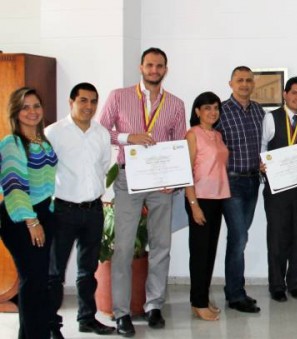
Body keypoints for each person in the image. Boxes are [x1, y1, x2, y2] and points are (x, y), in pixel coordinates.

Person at [99, 47, 187, 336]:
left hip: (161, 183)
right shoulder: (118, 96)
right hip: (128, 179)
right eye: (149, 65)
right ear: (141, 67)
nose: (154, 70)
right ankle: (122, 313)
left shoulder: (175, 104)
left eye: (159, 66)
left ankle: (153, 306)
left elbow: (178, 145)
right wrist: (128, 137)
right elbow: (101, 132)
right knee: (124, 246)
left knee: (161, 244)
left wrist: (173, 179)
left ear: (166, 69)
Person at [45, 83, 114, 338]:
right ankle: (52, 326)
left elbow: (104, 166)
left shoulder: (101, 133)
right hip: (62, 211)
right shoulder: (53, 133)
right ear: (71, 102)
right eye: (83, 101)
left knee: (88, 271)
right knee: (55, 273)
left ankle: (87, 318)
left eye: (93, 101)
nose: (89, 106)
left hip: (94, 210)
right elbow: (44, 171)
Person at [0, 87, 58, 339]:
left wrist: (49, 212)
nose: (32, 111)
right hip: (21, 218)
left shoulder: (42, 140)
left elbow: (47, 180)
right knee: (32, 283)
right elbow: (15, 186)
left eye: (36, 106)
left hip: (43, 214)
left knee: (39, 282)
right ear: (15, 111)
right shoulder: (12, 143)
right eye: (25, 107)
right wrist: (32, 221)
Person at [260, 76, 297, 303]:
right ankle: (277, 285)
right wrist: (261, 166)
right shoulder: (270, 118)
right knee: (278, 237)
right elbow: (262, 146)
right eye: (294, 93)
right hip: (277, 190)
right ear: (285, 94)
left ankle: (295, 283)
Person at [217, 66, 264, 313]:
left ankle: (235, 290)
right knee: (239, 238)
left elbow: (264, 144)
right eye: (240, 80)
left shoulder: (259, 111)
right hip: (231, 183)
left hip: (253, 181)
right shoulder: (221, 111)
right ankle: (236, 294)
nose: (244, 84)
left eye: (248, 80)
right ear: (231, 83)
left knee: (239, 237)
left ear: (253, 84)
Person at [184, 92, 230, 321]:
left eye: (216, 108)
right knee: (200, 252)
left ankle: (202, 297)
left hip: (218, 198)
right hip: (199, 199)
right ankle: (198, 301)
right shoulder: (192, 134)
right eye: (207, 108)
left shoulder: (218, 135)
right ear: (197, 111)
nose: (212, 112)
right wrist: (194, 205)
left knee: (210, 252)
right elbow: (187, 172)